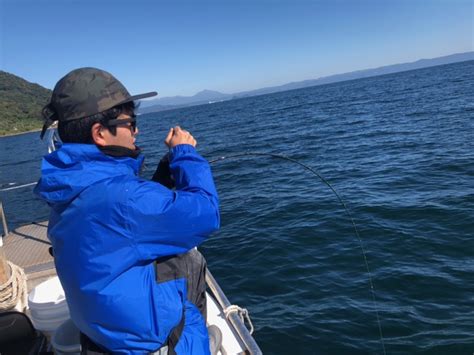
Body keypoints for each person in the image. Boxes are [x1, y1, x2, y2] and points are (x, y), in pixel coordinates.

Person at [34, 67, 220, 354]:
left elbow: (116, 227)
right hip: (148, 345)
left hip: (102, 337)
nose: (136, 130)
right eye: (130, 123)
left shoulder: (69, 189)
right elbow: (206, 213)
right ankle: (194, 340)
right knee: (191, 262)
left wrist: (160, 179)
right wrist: (185, 154)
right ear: (100, 134)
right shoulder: (125, 199)